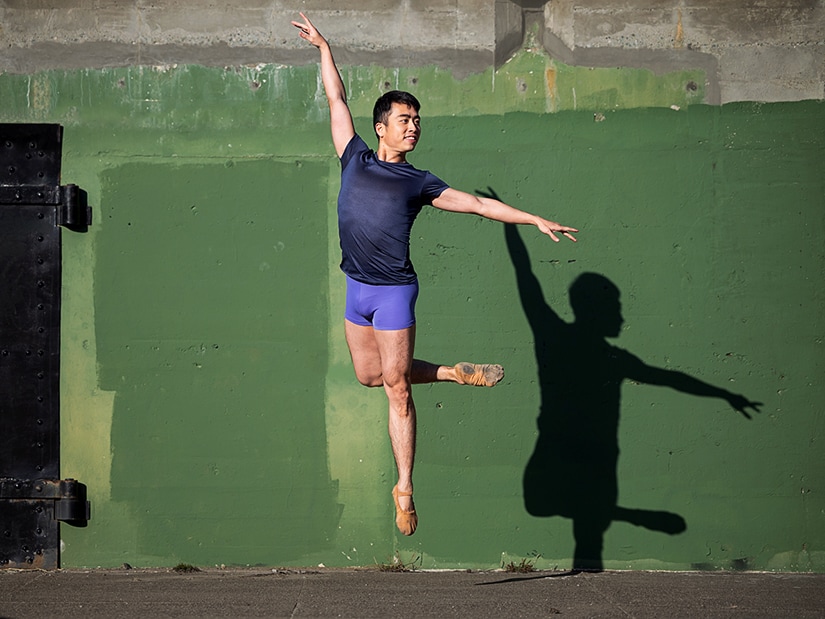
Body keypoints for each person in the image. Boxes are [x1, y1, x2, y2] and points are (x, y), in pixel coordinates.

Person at [292, 13, 578, 536]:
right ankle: (452, 371)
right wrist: (324, 47)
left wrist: (532, 218)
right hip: (356, 289)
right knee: (368, 375)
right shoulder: (352, 156)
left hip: (395, 293)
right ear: (381, 126)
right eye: (404, 118)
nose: (414, 125)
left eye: (418, 119)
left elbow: (477, 206)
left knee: (396, 387)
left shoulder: (419, 181)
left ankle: (404, 487)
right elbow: (336, 99)